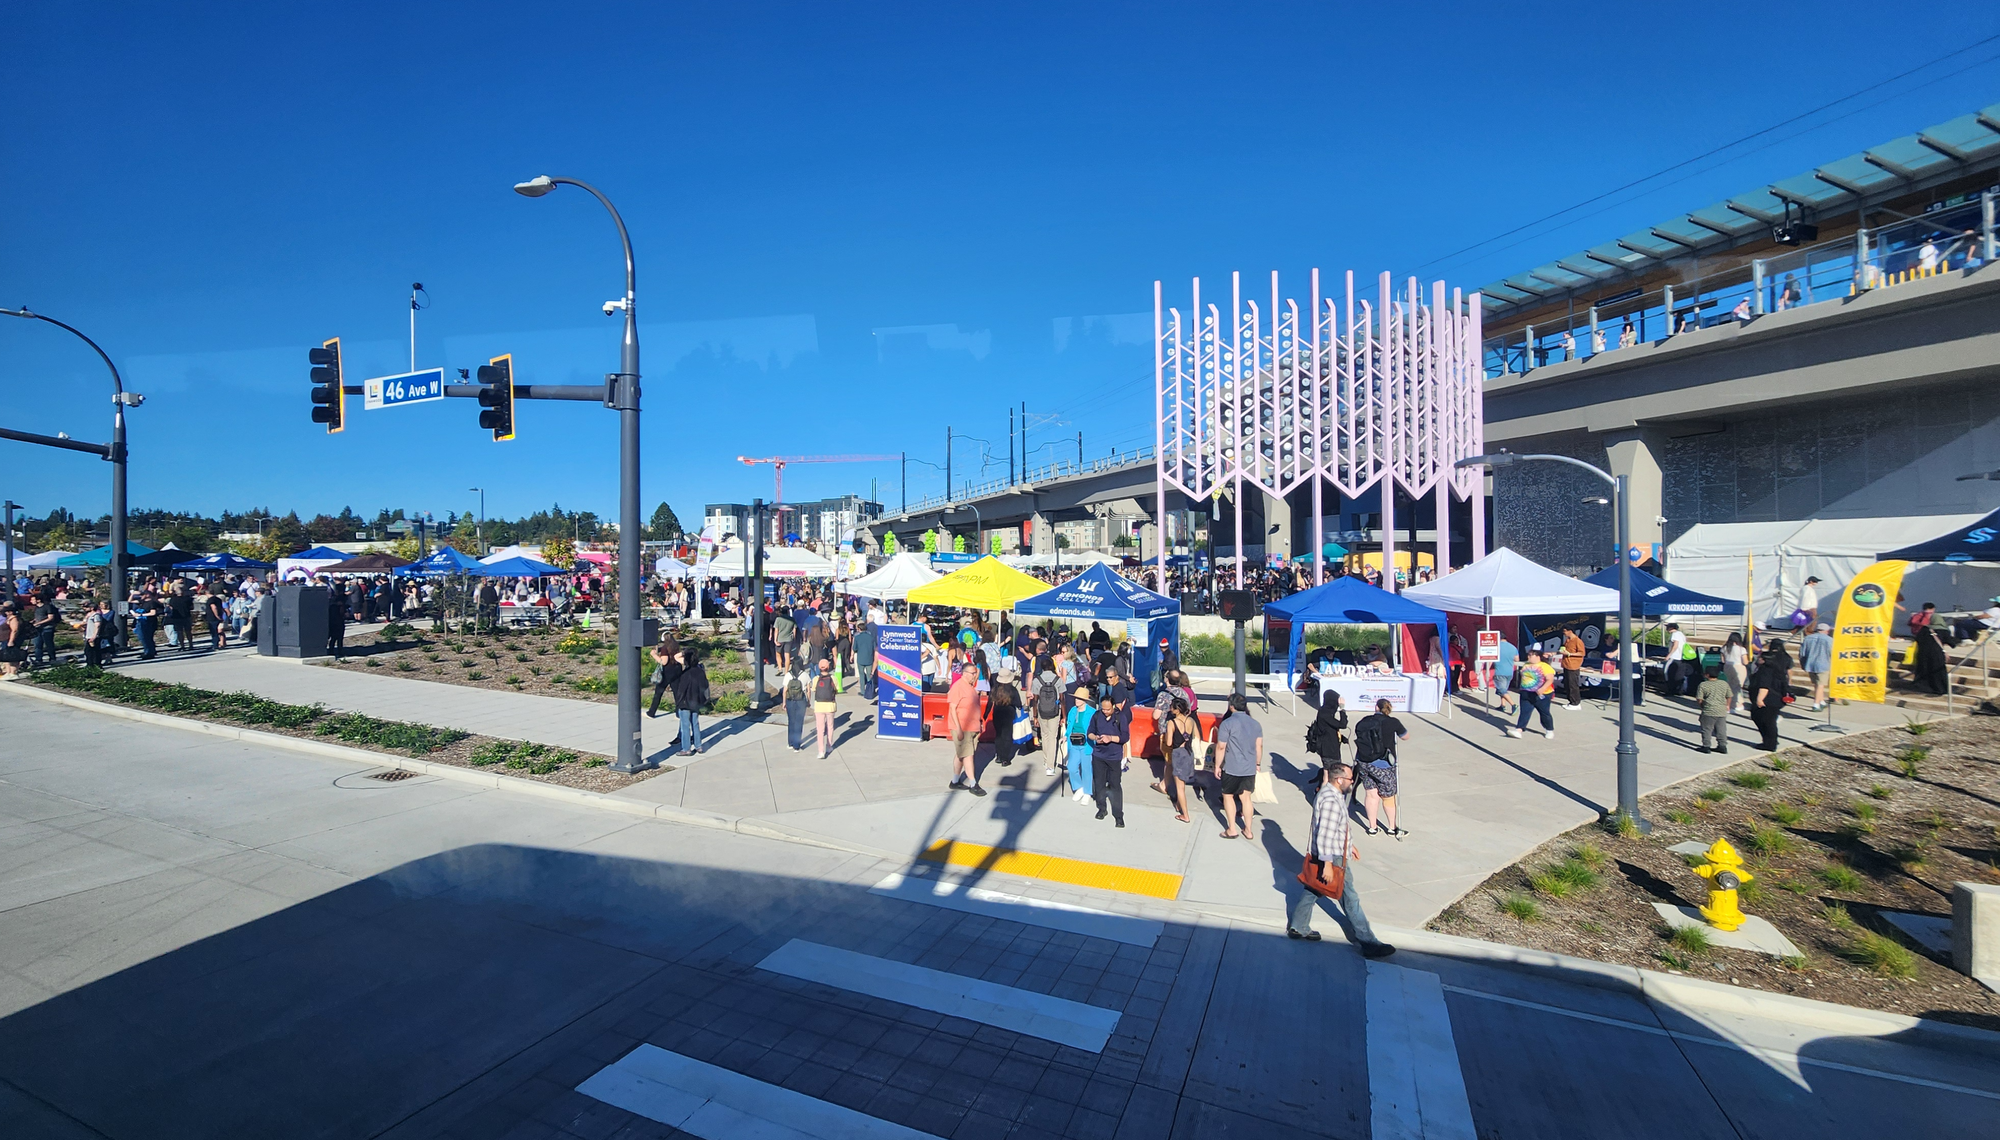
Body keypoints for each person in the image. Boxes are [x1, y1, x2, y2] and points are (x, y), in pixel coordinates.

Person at [1288, 763, 1395, 958]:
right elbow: (1325, 834)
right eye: (1350, 780)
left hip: (1334, 852)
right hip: (1334, 857)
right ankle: (1368, 942)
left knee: (1315, 887)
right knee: (1350, 898)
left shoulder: (1332, 794)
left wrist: (1349, 844)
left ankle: (1298, 925)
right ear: (1339, 780)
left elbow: (1335, 827)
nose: (1353, 783)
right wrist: (1328, 864)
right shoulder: (1330, 800)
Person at [1350, 697, 1408, 838]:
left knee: (1371, 794)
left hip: (1364, 762)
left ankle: (1372, 827)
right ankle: (1391, 827)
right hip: (1384, 764)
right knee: (1388, 797)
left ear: (1376, 708)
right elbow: (1405, 736)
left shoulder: (1364, 721)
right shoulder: (1393, 722)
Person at [1210, 693, 1263, 841]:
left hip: (1232, 766)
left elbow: (1221, 747)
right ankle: (1248, 830)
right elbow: (1259, 746)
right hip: (1249, 767)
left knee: (1228, 795)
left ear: (1231, 707)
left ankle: (1232, 828)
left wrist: (1217, 766)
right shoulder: (1255, 724)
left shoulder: (1227, 724)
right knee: (1246, 798)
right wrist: (1257, 763)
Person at [1087, 692, 1128, 826]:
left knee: (1115, 785)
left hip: (1114, 757)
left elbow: (1125, 737)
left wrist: (1110, 738)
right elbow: (1090, 733)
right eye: (1103, 709)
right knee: (1099, 784)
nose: (1105, 712)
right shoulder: (1097, 715)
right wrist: (1096, 738)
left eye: (1108, 709)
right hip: (1099, 755)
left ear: (1113, 707)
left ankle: (1118, 815)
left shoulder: (1120, 717)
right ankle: (1101, 808)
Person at [945, 665, 986, 796]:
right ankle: (973, 783)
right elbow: (952, 708)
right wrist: (958, 729)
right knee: (968, 755)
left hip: (971, 727)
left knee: (961, 754)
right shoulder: (958, 687)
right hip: (963, 727)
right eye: (973, 673)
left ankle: (955, 780)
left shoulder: (970, 688)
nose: (975, 676)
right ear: (965, 673)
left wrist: (979, 722)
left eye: (976, 673)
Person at [1158, 696, 1198, 824]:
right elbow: (1196, 736)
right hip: (1189, 752)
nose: (1170, 709)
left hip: (1178, 754)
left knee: (1180, 787)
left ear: (1176, 710)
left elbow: (1169, 742)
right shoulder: (1191, 720)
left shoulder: (1172, 723)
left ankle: (1185, 814)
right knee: (1183, 782)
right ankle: (1180, 806)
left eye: (1172, 707)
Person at [1745, 643, 1789, 751]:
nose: (1758, 659)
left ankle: (1770, 743)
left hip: (1767, 700)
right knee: (1767, 721)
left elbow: (1764, 686)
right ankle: (1770, 740)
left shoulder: (1765, 670)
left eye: (1760, 658)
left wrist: (1760, 699)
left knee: (1765, 720)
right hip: (1775, 700)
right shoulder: (1776, 669)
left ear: (1764, 660)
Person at [1505, 649, 1557, 738]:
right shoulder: (1526, 665)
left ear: (1538, 657)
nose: (1528, 657)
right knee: (1524, 712)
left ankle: (1549, 729)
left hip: (1541, 694)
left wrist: (1542, 688)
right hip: (1526, 692)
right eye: (1528, 655)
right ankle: (1519, 729)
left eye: (1531, 655)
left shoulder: (1545, 666)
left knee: (1544, 712)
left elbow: (1550, 679)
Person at [1030, 654, 1065, 777]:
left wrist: (1035, 716)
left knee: (1044, 736)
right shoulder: (1058, 679)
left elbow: (1034, 700)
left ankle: (1046, 761)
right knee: (1052, 737)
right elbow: (1062, 698)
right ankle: (1050, 766)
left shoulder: (1037, 680)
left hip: (1041, 711)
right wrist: (1064, 716)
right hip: (1055, 711)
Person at [672, 647, 708, 756]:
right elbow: (704, 686)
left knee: (685, 725)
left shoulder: (686, 673)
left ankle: (686, 748)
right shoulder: (700, 671)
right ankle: (698, 746)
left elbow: (681, 690)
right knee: (695, 724)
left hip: (685, 702)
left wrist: (678, 703)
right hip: (696, 701)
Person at [1064, 686, 1096, 803]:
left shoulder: (1092, 713)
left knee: (1086, 768)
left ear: (1085, 700)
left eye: (1079, 698)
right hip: (1073, 743)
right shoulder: (1073, 710)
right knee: (1071, 766)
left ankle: (1087, 792)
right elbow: (1070, 725)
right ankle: (1078, 787)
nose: (1076, 700)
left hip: (1087, 744)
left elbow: (1094, 728)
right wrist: (1065, 736)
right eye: (1076, 698)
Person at [989, 666, 1023, 768]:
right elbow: (1018, 703)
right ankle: (1005, 758)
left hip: (997, 711)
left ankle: (999, 756)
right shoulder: (1012, 690)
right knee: (1007, 736)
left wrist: (985, 715)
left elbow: (989, 703)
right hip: (1009, 713)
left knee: (998, 735)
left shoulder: (995, 689)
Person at [1306, 691, 1347, 770]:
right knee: (1335, 773)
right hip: (1329, 751)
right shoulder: (1326, 714)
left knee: (1327, 773)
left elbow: (1328, 729)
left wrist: (1341, 738)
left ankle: (1325, 782)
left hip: (1327, 748)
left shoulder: (1324, 711)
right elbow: (1342, 724)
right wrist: (1342, 709)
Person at [646, 633, 683, 718]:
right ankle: (679, 713)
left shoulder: (665, 648)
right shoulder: (676, 646)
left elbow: (664, 662)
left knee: (658, 693)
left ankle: (651, 712)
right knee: (677, 693)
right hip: (677, 670)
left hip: (667, 672)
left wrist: (654, 655)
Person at [1800, 623, 1834, 711]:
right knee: (1820, 685)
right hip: (1824, 664)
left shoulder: (1807, 638)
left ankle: (1821, 700)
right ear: (1827, 631)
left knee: (1816, 683)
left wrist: (1803, 664)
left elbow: (1802, 653)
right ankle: (1816, 704)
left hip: (1810, 663)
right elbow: (1833, 653)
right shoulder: (1830, 640)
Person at [779, 657, 810, 751]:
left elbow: (785, 691)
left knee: (791, 721)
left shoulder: (788, 675)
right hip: (801, 701)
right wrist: (808, 701)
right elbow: (808, 690)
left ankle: (790, 743)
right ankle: (797, 746)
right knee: (799, 723)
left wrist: (784, 702)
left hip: (790, 700)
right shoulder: (805, 675)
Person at [1910, 623, 1950, 696]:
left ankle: (1922, 686)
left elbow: (1917, 639)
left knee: (1924, 670)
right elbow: (1951, 642)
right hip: (1937, 655)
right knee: (1937, 673)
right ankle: (1940, 689)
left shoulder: (1923, 630)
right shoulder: (1943, 630)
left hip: (1923, 654)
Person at [811, 654, 838, 759]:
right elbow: (836, 689)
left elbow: (813, 689)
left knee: (820, 729)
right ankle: (829, 746)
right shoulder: (833, 678)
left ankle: (820, 751)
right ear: (828, 667)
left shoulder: (816, 679)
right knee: (830, 726)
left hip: (819, 706)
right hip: (830, 705)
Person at [1721, 631, 1750, 714]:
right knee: (1737, 686)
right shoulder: (1741, 649)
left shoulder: (1725, 648)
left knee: (1729, 685)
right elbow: (1745, 662)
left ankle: (1727, 703)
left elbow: (1722, 660)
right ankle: (1736, 704)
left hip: (1727, 667)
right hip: (1738, 667)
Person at [30, 592, 60, 668]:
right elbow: (38, 617)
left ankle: (52, 658)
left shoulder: (47, 607)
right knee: (37, 644)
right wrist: (33, 621)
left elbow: (50, 617)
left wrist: (39, 623)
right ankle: (38, 659)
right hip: (38, 628)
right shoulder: (36, 608)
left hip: (47, 628)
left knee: (48, 644)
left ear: (38, 600)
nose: (31, 601)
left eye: (33, 599)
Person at [1559, 628, 1586, 708]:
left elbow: (1582, 653)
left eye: (1565, 631)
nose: (1564, 633)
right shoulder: (1567, 640)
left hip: (1573, 665)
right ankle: (1571, 701)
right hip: (1566, 664)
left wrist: (1570, 654)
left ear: (1570, 631)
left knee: (1573, 684)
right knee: (1567, 684)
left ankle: (1576, 703)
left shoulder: (1578, 641)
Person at [83, 598, 114, 668]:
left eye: (87, 607)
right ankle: (90, 664)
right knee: (88, 651)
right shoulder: (89, 615)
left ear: (92, 608)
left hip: (94, 636)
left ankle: (96, 664)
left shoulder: (96, 615)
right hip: (88, 635)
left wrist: (94, 636)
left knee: (94, 651)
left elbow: (97, 625)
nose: (85, 608)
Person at [1492, 635, 1518, 713]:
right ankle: (1502, 705)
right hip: (1509, 672)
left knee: (1502, 690)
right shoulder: (1513, 647)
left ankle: (1513, 705)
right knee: (1504, 689)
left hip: (1500, 671)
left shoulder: (1496, 647)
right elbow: (1516, 659)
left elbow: (1491, 658)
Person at [854, 620, 877, 702]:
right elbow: (874, 648)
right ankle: (871, 690)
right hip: (869, 658)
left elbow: (855, 648)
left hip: (860, 658)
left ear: (859, 629)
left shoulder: (857, 637)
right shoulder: (871, 637)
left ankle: (863, 691)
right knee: (869, 675)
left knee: (861, 675)